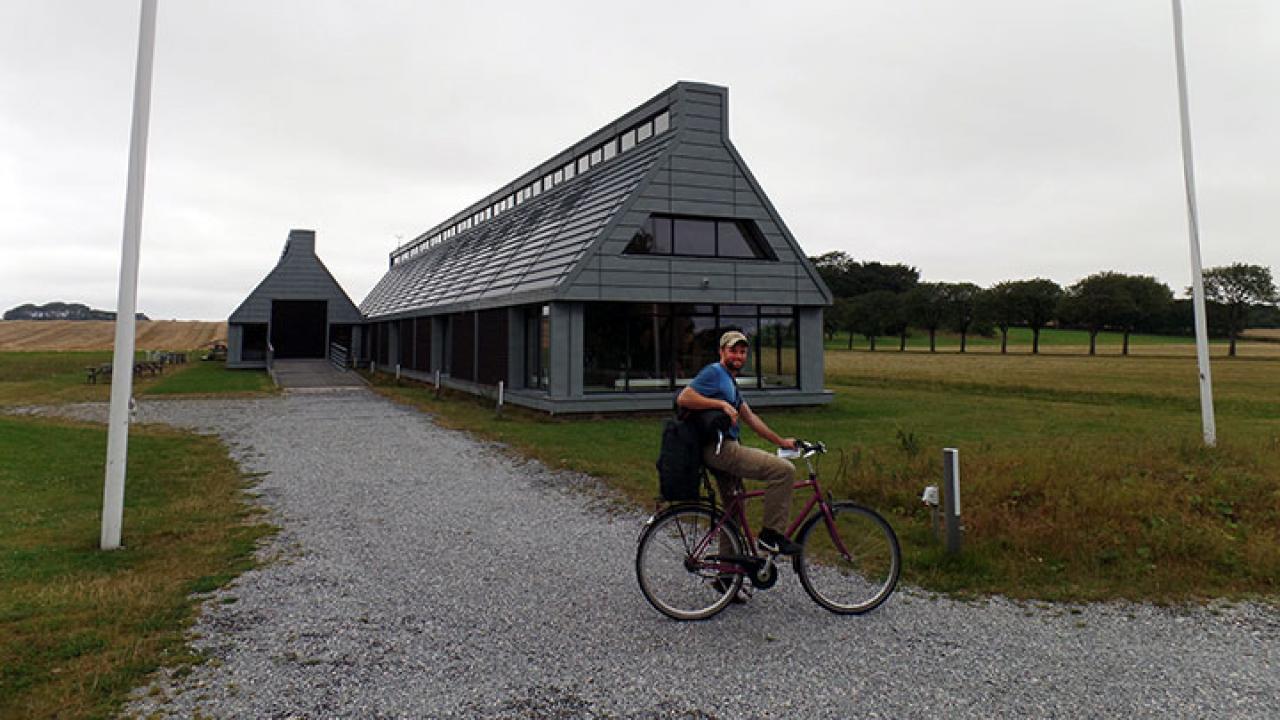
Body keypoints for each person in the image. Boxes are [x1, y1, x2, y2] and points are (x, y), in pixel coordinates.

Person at [677, 330, 802, 557]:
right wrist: (721, 405)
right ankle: (770, 536)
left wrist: (782, 441)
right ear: (721, 351)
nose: (738, 355)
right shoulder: (714, 372)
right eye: (733, 350)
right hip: (722, 450)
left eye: (743, 352)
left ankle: (727, 577)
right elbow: (684, 398)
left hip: (719, 448)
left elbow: (750, 417)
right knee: (783, 471)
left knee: (734, 511)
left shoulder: (729, 381)